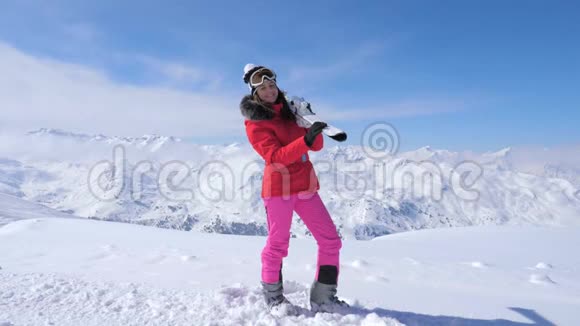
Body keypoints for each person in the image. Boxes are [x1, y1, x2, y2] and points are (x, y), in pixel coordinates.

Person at [239, 64, 348, 312]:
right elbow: (275, 157)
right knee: (278, 244)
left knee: (331, 241)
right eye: (263, 88)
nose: (269, 91)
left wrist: (312, 126)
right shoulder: (255, 123)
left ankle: (323, 297)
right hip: (279, 189)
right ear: (255, 93)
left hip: (305, 185)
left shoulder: (293, 112)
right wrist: (305, 140)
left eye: (271, 85)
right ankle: (273, 297)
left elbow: (317, 145)